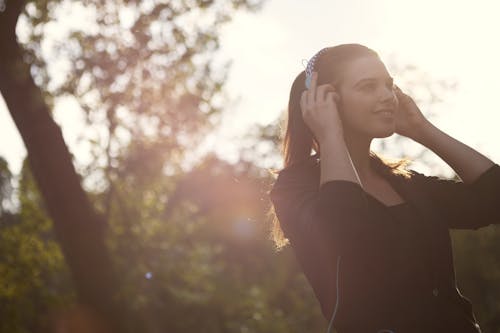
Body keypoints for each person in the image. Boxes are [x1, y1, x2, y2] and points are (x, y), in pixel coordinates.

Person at [269, 44, 499, 333]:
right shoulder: (294, 189)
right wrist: (329, 135)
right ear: (325, 101)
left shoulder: (407, 184)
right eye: (368, 87)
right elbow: (345, 226)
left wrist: (422, 129)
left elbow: (493, 199)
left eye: (388, 85)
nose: (387, 97)